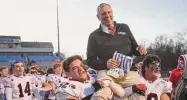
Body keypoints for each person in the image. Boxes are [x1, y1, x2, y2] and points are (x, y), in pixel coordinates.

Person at [87, 3, 147, 71]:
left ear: (112, 13)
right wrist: (105, 64)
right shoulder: (93, 36)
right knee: (103, 82)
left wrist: (140, 50)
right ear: (98, 17)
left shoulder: (124, 27)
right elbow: (90, 61)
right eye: (103, 13)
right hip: (107, 73)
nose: (107, 15)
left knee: (140, 82)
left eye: (109, 12)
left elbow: (135, 49)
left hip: (129, 71)